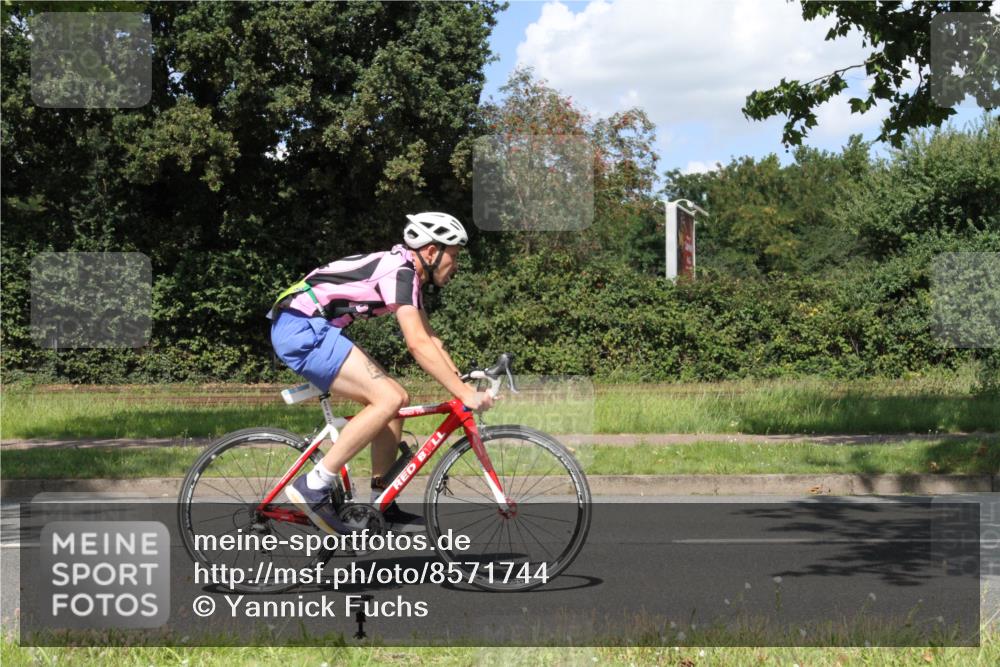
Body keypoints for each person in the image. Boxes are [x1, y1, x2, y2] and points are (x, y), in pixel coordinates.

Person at [268, 212, 495, 535]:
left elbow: (431, 339)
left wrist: (460, 379)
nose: (455, 265)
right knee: (389, 398)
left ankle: (380, 504)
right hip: (302, 329)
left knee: (395, 401)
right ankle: (315, 484)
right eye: (453, 256)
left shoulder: (408, 274)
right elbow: (416, 344)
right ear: (431, 252)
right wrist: (465, 395)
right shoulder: (400, 273)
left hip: (313, 328)